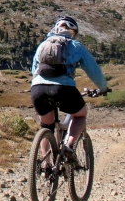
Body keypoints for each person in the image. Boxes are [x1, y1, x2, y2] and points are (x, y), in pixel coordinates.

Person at [30, 15, 108, 159]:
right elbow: (93, 70)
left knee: (46, 126)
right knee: (80, 115)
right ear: (74, 32)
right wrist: (103, 87)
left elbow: (34, 71)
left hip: (38, 89)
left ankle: (45, 163)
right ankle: (69, 146)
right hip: (63, 89)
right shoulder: (75, 45)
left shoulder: (43, 45)